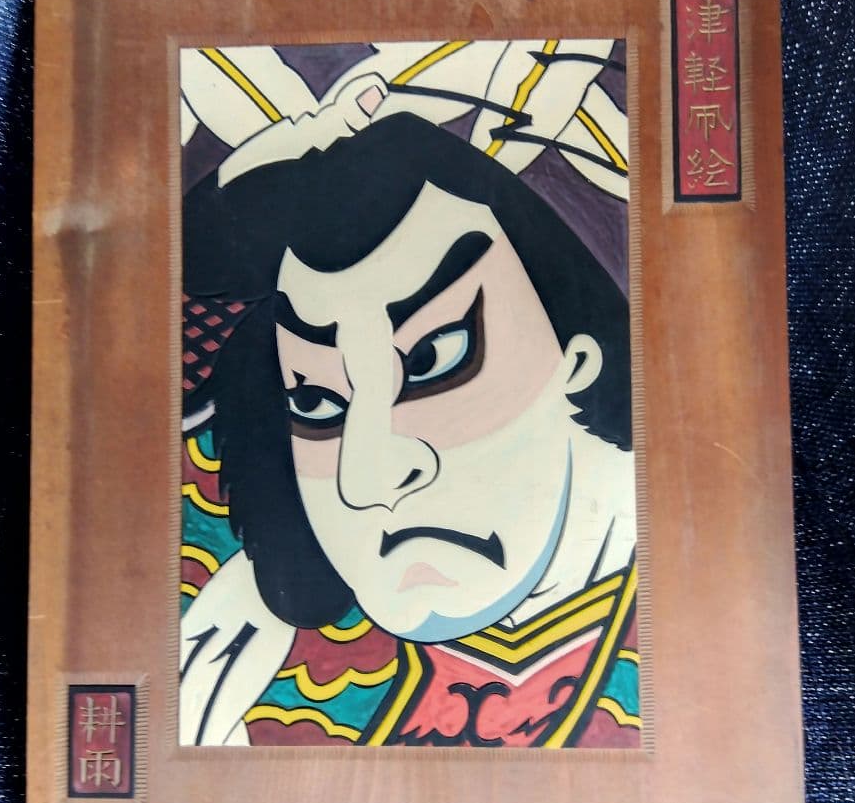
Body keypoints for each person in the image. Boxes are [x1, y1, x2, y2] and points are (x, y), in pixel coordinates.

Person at [179, 107, 639, 749]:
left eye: (434, 359)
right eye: (315, 402)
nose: (367, 478)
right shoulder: (238, 670)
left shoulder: (702, 613)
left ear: (577, 361)